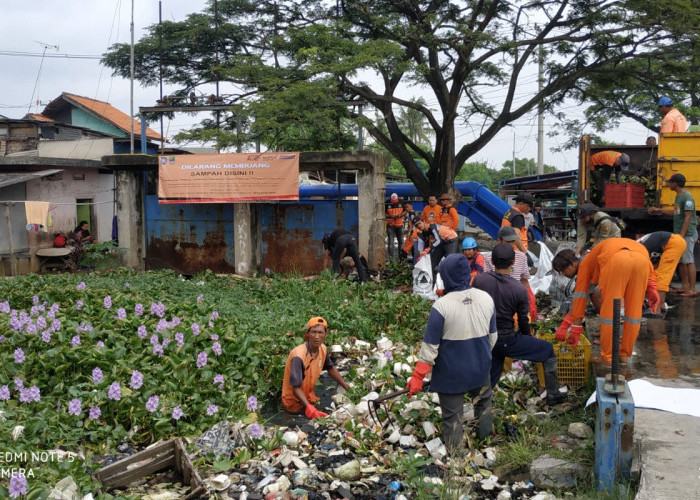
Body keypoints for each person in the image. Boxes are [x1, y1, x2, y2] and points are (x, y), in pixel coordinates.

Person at [406, 254, 497, 451]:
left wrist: (417, 377)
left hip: (451, 374)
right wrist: (479, 356)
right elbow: (493, 338)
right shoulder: (486, 298)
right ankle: (486, 443)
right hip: (480, 369)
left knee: (453, 417)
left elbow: (430, 348)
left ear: (446, 276)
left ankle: (457, 459)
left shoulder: (441, 306)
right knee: (483, 404)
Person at [472, 244, 565, 405]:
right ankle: (553, 396)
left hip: (484, 337)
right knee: (547, 350)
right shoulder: (518, 289)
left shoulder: (480, 280)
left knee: (495, 365)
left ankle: (480, 402)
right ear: (513, 262)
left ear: (492, 261)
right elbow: (523, 320)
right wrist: (526, 338)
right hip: (506, 338)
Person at [553, 239, 657, 364]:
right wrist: (652, 288)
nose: (563, 275)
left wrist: (574, 328)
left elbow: (580, 298)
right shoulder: (593, 257)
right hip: (642, 260)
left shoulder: (585, 264)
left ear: (571, 265)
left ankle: (607, 358)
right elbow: (589, 292)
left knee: (609, 315)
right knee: (633, 315)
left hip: (617, 261)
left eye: (562, 271)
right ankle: (624, 355)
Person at [281, 317, 351, 418]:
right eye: (313, 332)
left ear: (325, 335)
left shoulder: (322, 349)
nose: (317, 336)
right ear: (308, 334)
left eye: (320, 332)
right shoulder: (298, 356)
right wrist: (310, 408)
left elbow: (330, 368)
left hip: (308, 397)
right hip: (293, 403)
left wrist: (347, 388)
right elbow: (296, 388)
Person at [648, 173, 698, 296]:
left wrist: (681, 235)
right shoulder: (679, 197)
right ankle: (685, 286)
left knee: (688, 260)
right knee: (681, 260)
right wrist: (659, 210)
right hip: (680, 234)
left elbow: (688, 217)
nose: (668, 184)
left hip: (687, 234)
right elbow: (676, 213)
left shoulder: (687, 197)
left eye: (670, 182)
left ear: (675, 183)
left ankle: (692, 289)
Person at [485, 226, 537, 319]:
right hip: (497, 300)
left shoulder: (521, 257)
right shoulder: (489, 258)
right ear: (499, 240)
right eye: (508, 242)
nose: (511, 244)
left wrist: (530, 299)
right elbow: (487, 281)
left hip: (515, 299)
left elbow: (524, 280)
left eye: (513, 241)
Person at [638, 231, 686, 310]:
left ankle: (659, 306)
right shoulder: (635, 249)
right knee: (656, 275)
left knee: (662, 277)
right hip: (672, 242)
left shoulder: (634, 253)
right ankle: (659, 303)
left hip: (674, 243)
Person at [385, 193, 404, 260]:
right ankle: (391, 259)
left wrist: (400, 215)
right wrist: (390, 216)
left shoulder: (402, 202)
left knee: (401, 242)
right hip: (390, 225)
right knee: (390, 243)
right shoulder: (387, 203)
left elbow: (406, 211)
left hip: (400, 225)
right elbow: (383, 213)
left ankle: (401, 258)